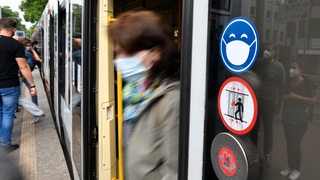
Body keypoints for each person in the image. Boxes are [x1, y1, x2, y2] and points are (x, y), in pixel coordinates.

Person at [108, 11, 180, 179]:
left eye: (127, 54)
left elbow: (175, 172)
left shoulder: (171, 100)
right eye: (117, 53)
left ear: (155, 53)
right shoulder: (135, 92)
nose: (120, 61)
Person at [0, 17, 37, 152]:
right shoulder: (15, 45)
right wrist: (32, 85)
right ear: (13, 30)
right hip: (9, 85)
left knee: (1, 112)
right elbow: (24, 67)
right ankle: (5, 144)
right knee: (8, 113)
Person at [250, 41, 286, 166]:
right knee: (254, 128)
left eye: (269, 50)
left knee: (268, 129)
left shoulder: (279, 67)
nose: (266, 52)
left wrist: (279, 105)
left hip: (269, 102)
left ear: (274, 52)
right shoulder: (258, 63)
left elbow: (282, 88)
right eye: (265, 49)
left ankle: (267, 155)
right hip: (256, 101)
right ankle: (253, 152)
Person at [280, 60, 316, 180]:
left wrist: (296, 97)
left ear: (301, 70)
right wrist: (285, 97)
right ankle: (290, 166)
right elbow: (284, 95)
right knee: (289, 142)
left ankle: (296, 169)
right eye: (290, 68)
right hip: (288, 116)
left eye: (294, 68)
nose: (291, 70)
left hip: (300, 118)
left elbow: (313, 100)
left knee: (295, 143)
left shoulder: (307, 82)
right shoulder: (288, 82)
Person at [17, 37, 44, 123]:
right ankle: (36, 112)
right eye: (28, 45)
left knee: (19, 96)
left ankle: (36, 112)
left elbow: (35, 61)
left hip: (21, 76)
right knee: (32, 92)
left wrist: (32, 50)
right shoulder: (25, 52)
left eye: (30, 45)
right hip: (24, 75)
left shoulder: (25, 52)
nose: (29, 46)